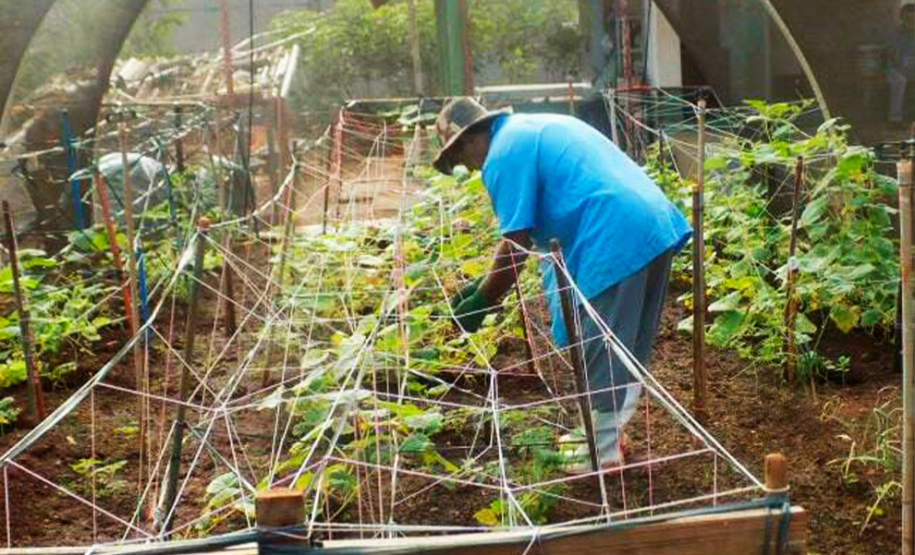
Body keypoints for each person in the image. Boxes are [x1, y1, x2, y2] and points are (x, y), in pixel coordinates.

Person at [434, 97, 692, 474]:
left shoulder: (503, 153)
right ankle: (609, 436)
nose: (469, 168)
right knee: (625, 345)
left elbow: (516, 242)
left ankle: (601, 455)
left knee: (600, 344)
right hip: (650, 222)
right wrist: (484, 287)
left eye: (460, 158)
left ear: (471, 139)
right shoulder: (532, 128)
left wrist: (483, 299)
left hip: (614, 230)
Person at [887, 0, 915, 125]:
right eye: (908, 18)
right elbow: (892, 56)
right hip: (896, 68)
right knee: (899, 81)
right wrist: (904, 71)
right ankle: (895, 119)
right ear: (902, 18)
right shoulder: (896, 33)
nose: (911, 21)